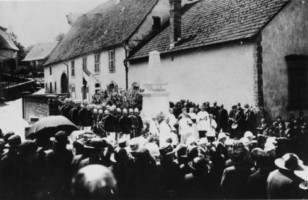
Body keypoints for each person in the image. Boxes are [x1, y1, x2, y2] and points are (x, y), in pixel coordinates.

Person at [45, 131, 73, 200]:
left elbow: (46, 171)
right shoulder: (69, 153)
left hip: (53, 183)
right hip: (65, 183)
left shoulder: (49, 155)